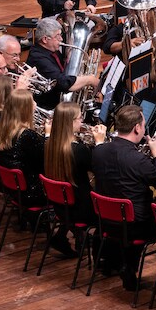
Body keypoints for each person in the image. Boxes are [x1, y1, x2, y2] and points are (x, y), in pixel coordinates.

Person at [92, 105, 156, 290]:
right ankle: (132, 266)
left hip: (105, 221)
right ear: (137, 128)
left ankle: (116, 261)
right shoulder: (138, 160)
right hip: (136, 227)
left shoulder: (99, 151)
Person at [44, 102, 106, 257]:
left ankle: (67, 237)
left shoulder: (48, 143)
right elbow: (100, 169)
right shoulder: (78, 150)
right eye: (79, 118)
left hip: (61, 206)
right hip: (83, 210)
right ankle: (101, 250)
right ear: (70, 122)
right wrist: (99, 144)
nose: (82, 121)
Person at [26, 17, 99, 110]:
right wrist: (89, 80)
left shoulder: (51, 50)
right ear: (45, 39)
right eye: (58, 36)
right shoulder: (38, 58)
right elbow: (62, 83)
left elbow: (64, 70)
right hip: (51, 107)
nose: (61, 39)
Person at [0, 89, 47, 204]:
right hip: (32, 192)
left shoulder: (1, 128)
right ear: (25, 109)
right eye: (32, 102)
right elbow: (44, 160)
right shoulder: (26, 135)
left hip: (13, 188)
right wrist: (47, 135)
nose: (35, 104)